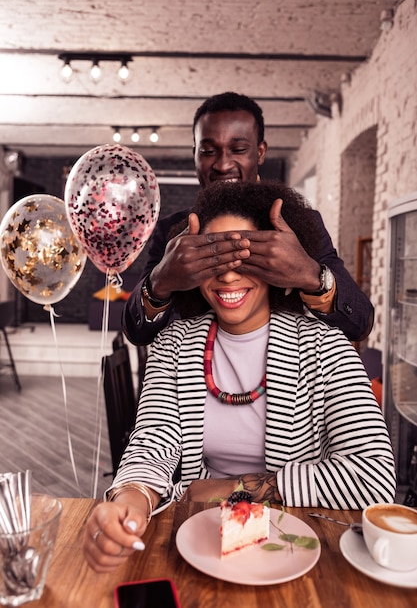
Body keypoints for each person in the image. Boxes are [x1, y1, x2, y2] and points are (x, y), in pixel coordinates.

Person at [84, 181, 395, 573]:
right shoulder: (176, 343)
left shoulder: (325, 345)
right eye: (213, 258)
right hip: (203, 541)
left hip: (301, 548)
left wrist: (229, 488)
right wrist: (131, 501)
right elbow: (151, 447)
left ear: (276, 262)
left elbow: (374, 478)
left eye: (245, 257)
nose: (229, 276)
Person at [122, 91, 374, 347]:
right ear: (195, 154)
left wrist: (310, 274)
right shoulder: (171, 231)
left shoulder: (300, 222)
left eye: (238, 149)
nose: (222, 164)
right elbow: (135, 332)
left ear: (260, 152)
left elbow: (360, 323)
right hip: (192, 378)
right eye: (208, 151)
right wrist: (160, 281)